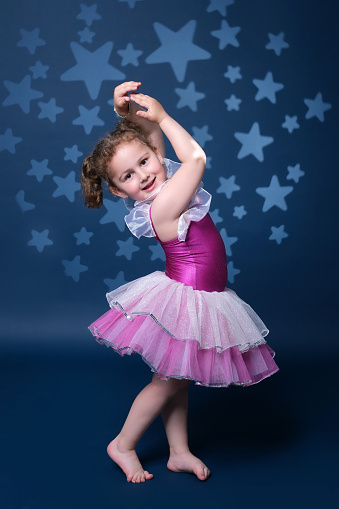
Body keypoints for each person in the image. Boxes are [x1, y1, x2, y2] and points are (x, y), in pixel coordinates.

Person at [81, 81, 279, 483]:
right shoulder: (165, 204)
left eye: (144, 163)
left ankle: (178, 452)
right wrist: (166, 116)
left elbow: (152, 141)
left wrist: (126, 113)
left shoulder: (162, 183)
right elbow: (196, 159)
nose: (144, 174)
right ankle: (123, 444)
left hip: (202, 293)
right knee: (165, 382)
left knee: (178, 381)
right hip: (189, 298)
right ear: (121, 192)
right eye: (129, 176)